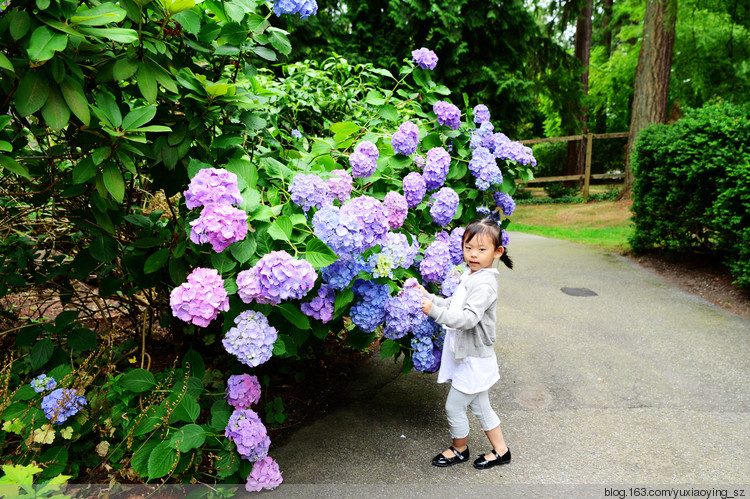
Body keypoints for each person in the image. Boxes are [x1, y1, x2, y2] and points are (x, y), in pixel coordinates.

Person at [419, 217, 513, 470]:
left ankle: (460, 449)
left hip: (474, 360)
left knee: (453, 407)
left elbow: (469, 318)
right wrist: (427, 297)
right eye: (468, 247)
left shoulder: (484, 284)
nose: (473, 254)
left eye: (482, 250)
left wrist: (433, 312)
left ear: (497, 252)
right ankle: (502, 451)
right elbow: (452, 304)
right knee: (481, 406)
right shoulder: (471, 276)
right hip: (471, 356)